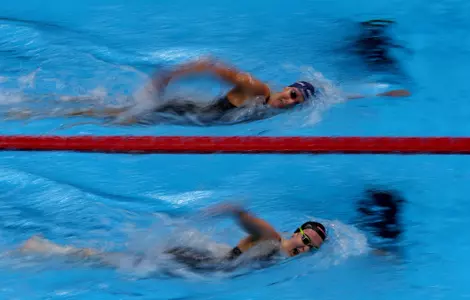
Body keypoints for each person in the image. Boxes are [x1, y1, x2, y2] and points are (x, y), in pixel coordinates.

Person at [62, 57, 411, 125]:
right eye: (292, 94)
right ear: (287, 87)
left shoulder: (277, 107)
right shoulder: (258, 89)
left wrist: (381, 96)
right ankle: (29, 113)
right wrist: (169, 75)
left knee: (102, 114)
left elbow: (335, 96)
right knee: (100, 119)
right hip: (176, 111)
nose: (289, 100)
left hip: (183, 119)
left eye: (296, 102)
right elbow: (214, 65)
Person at [19, 203, 327, 270]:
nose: (306, 245)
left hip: (203, 263)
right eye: (306, 238)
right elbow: (254, 226)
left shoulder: (281, 257)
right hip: (195, 261)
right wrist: (238, 212)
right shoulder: (273, 240)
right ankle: (46, 249)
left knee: (118, 262)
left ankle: (51, 250)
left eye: (312, 246)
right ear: (296, 232)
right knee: (112, 262)